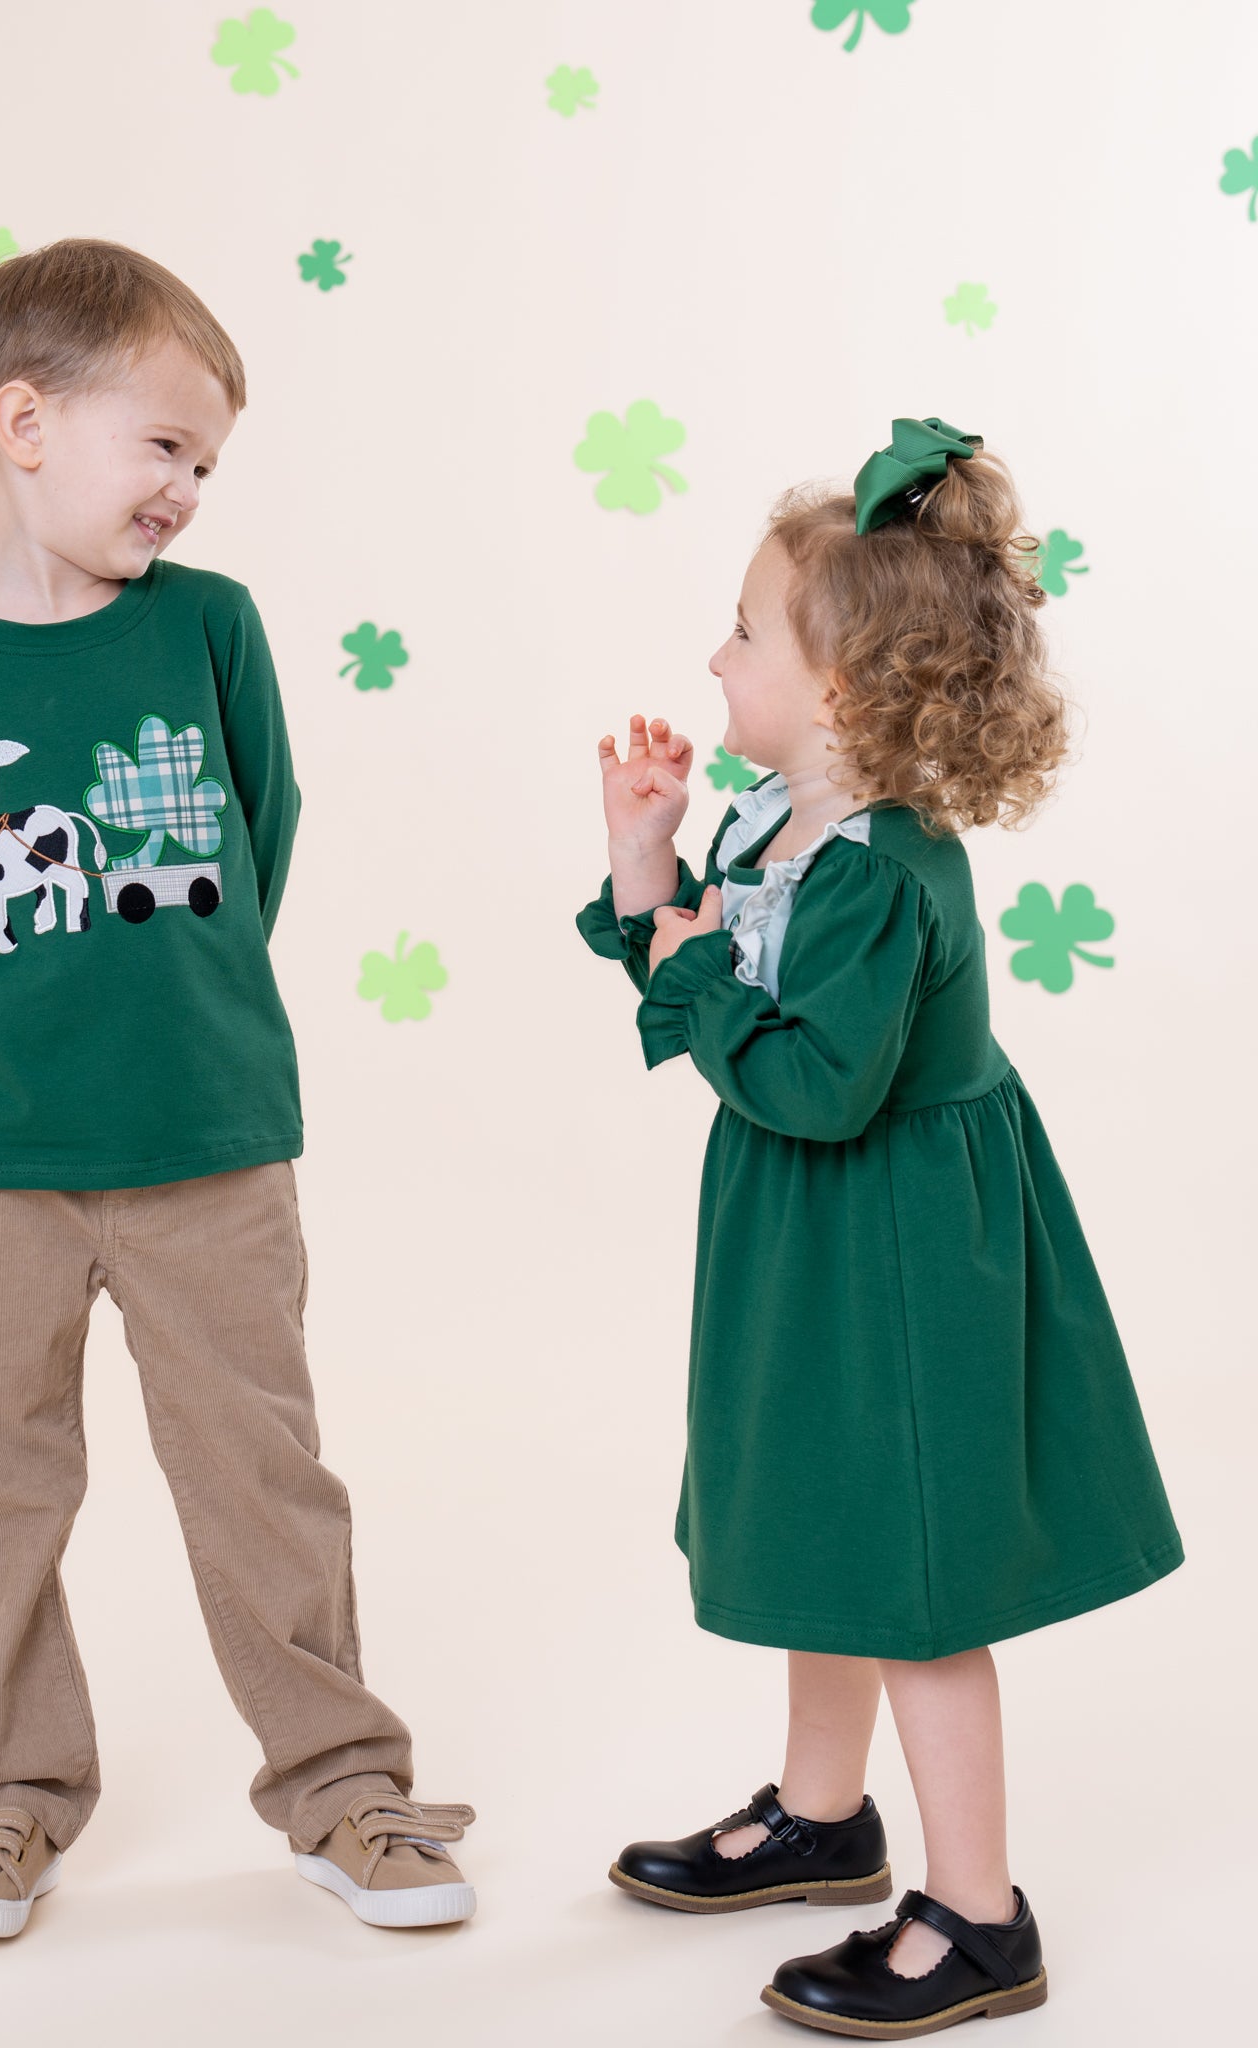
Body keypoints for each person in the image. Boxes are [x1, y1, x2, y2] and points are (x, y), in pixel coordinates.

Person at [0, 237, 474, 1939]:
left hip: (210, 1143)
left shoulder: (210, 627)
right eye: (166, 448)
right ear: (25, 423)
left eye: (209, 464)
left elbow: (255, 845)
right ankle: (6, 1800)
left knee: (265, 1473)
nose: (188, 491)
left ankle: (343, 1784)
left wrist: (179, 1022)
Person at [576, 418, 1181, 2037]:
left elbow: (815, 1082)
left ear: (841, 689)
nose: (715, 657)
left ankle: (980, 1916)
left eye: (744, 633)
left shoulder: (882, 874)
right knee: (832, 1523)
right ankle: (823, 1816)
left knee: (917, 1573)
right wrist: (648, 870)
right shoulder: (773, 826)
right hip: (809, 1231)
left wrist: (696, 970)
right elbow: (709, 984)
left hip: (900, 1244)